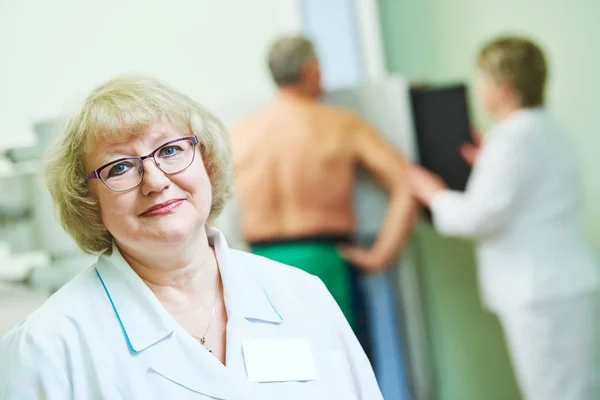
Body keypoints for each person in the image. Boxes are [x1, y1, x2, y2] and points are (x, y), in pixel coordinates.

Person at [0, 75, 383, 399]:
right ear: (89, 203)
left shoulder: (303, 297)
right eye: (119, 168)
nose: (155, 181)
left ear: (207, 162)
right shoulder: (48, 346)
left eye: (169, 150)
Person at [410, 36, 600, 400]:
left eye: (482, 79)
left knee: (555, 393)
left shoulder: (513, 138)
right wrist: (488, 162)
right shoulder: (539, 130)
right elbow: (528, 193)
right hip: (558, 286)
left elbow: (479, 217)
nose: (478, 89)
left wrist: (433, 193)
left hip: (540, 291)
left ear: (505, 86)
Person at [229, 36, 415, 333]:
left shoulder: (241, 134)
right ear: (311, 69)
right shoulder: (342, 125)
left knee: (279, 370)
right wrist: (382, 254)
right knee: (345, 370)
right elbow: (408, 184)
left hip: (260, 267)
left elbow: (203, 202)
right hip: (328, 262)